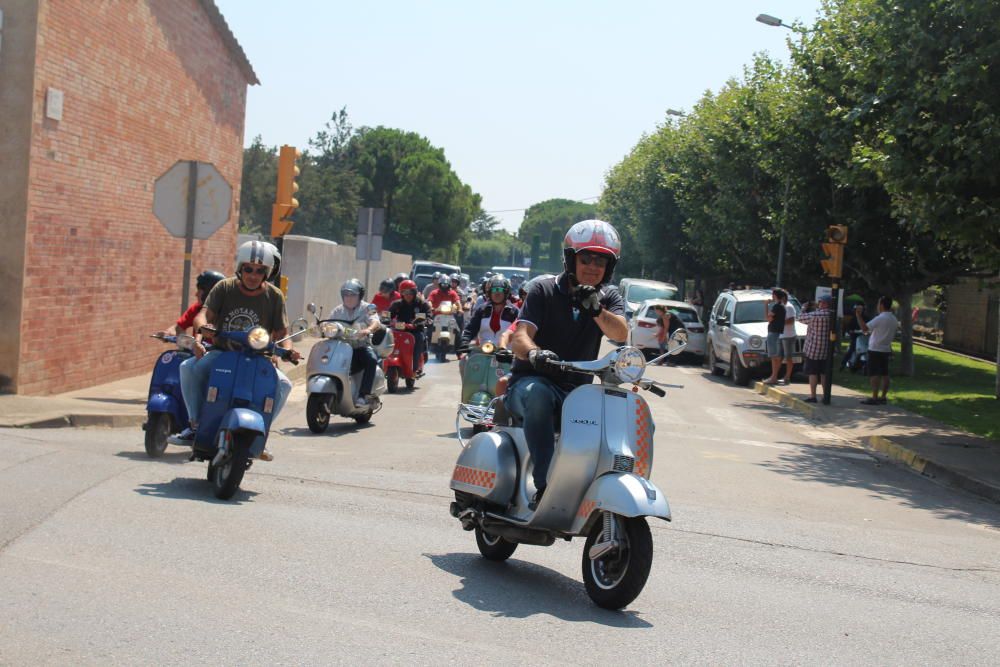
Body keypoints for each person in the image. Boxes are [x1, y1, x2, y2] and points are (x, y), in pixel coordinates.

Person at [509, 220, 628, 510]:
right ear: (570, 259)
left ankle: (606, 486)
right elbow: (520, 336)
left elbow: (620, 333)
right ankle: (546, 485)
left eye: (601, 260)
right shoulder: (543, 290)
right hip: (531, 384)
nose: (592, 266)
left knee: (626, 412)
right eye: (585, 258)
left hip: (578, 394)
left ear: (609, 267)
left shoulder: (608, 297)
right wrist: (535, 354)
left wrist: (596, 309)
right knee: (539, 395)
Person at [171, 241, 301, 449]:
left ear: (267, 273)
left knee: (284, 385)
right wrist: (201, 332)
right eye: (248, 269)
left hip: (259, 358)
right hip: (222, 353)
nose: (253, 275)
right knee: (187, 367)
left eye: (260, 271)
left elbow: (282, 332)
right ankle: (195, 424)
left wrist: (288, 349)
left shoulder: (274, 296)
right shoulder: (225, 287)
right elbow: (203, 315)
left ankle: (261, 431)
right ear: (240, 268)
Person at [329, 279, 383, 408]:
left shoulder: (369, 308)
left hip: (360, 346)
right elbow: (328, 323)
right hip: (341, 348)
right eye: (346, 295)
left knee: (371, 360)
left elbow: (375, 321)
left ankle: (363, 395)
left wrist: (368, 329)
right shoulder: (337, 310)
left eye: (353, 295)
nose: (349, 298)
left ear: (360, 296)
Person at [157, 270, 225, 341]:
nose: (196, 294)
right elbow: (178, 327)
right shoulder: (196, 308)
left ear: (209, 293)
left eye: (199, 291)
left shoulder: (226, 312)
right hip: (197, 350)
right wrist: (167, 333)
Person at [856, 296, 898, 405]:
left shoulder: (881, 317)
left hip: (875, 349)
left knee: (874, 373)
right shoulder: (894, 319)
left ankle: (874, 397)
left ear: (882, 305)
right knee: (885, 373)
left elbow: (865, 328)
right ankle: (883, 396)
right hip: (886, 348)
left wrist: (858, 316)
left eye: (879, 304)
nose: (877, 306)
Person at [461, 275, 520, 349]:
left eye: (500, 290)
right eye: (494, 290)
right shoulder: (482, 310)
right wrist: (464, 341)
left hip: (507, 355)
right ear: (489, 292)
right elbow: (470, 329)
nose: (497, 293)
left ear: (506, 292)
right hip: (483, 353)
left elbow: (520, 333)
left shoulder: (514, 312)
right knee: (464, 360)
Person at [388, 279, 431, 377]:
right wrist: (384, 321)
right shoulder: (397, 304)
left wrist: (421, 323)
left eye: (410, 292)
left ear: (415, 292)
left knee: (419, 338)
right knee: (387, 337)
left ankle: (415, 368)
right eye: (404, 292)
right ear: (401, 293)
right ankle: (382, 363)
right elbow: (387, 316)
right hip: (399, 330)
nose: (408, 295)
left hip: (415, 331)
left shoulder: (421, 304)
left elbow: (428, 317)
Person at [796, 294, 833, 403]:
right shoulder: (832, 315)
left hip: (813, 348)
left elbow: (800, 318)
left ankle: (813, 396)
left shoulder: (816, 315)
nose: (819, 304)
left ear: (824, 303)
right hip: (826, 349)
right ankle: (825, 395)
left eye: (820, 302)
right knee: (823, 373)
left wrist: (803, 308)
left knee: (813, 373)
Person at [763, 288, 787, 385]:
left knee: (774, 357)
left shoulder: (777, 307)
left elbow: (768, 318)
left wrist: (766, 306)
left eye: (773, 295)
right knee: (777, 357)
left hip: (774, 332)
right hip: (778, 332)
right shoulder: (782, 306)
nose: (772, 297)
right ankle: (774, 376)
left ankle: (773, 377)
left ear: (775, 296)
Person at [779, 290, 797, 384]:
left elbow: (791, 321)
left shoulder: (789, 307)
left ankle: (787, 378)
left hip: (788, 336)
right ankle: (779, 376)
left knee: (788, 357)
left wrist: (779, 322)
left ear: (783, 298)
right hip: (782, 335)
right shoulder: (783, 306)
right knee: (780, 357)